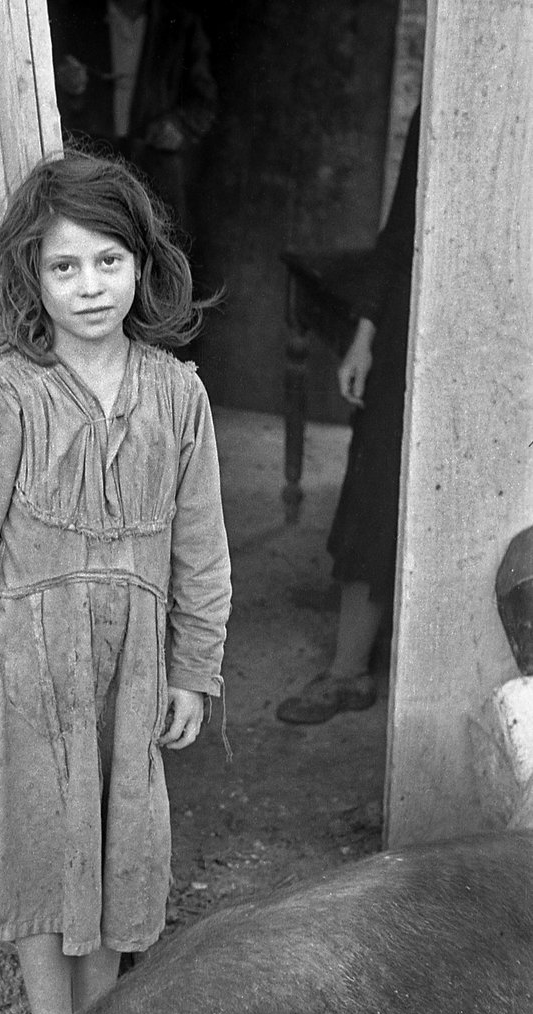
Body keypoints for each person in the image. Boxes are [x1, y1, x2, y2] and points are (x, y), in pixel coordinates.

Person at [0, 151, 231, 1014]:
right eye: (65, 266)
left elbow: (201, 551)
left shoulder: (179, 397)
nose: (90, 286)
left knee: (117, 843)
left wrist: (193, 669)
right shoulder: (6, 399)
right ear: (34, 276)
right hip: (28, 666)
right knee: (37, 846)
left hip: (131, 666)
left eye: (109, 261)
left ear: (142, 266)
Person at [276, 104, 421, 725]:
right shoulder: (444, 95)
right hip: (418, 314)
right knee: (373, 480)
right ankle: (348, 671)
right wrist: (366, 336)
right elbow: (399, 234)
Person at [47, 0, 217, 234]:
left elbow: (204, 102)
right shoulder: (80, 18)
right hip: (93, 165)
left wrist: (180, 125)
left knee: (160, 246)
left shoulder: (180, 24)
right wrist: (71, 88)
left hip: (155, 168)